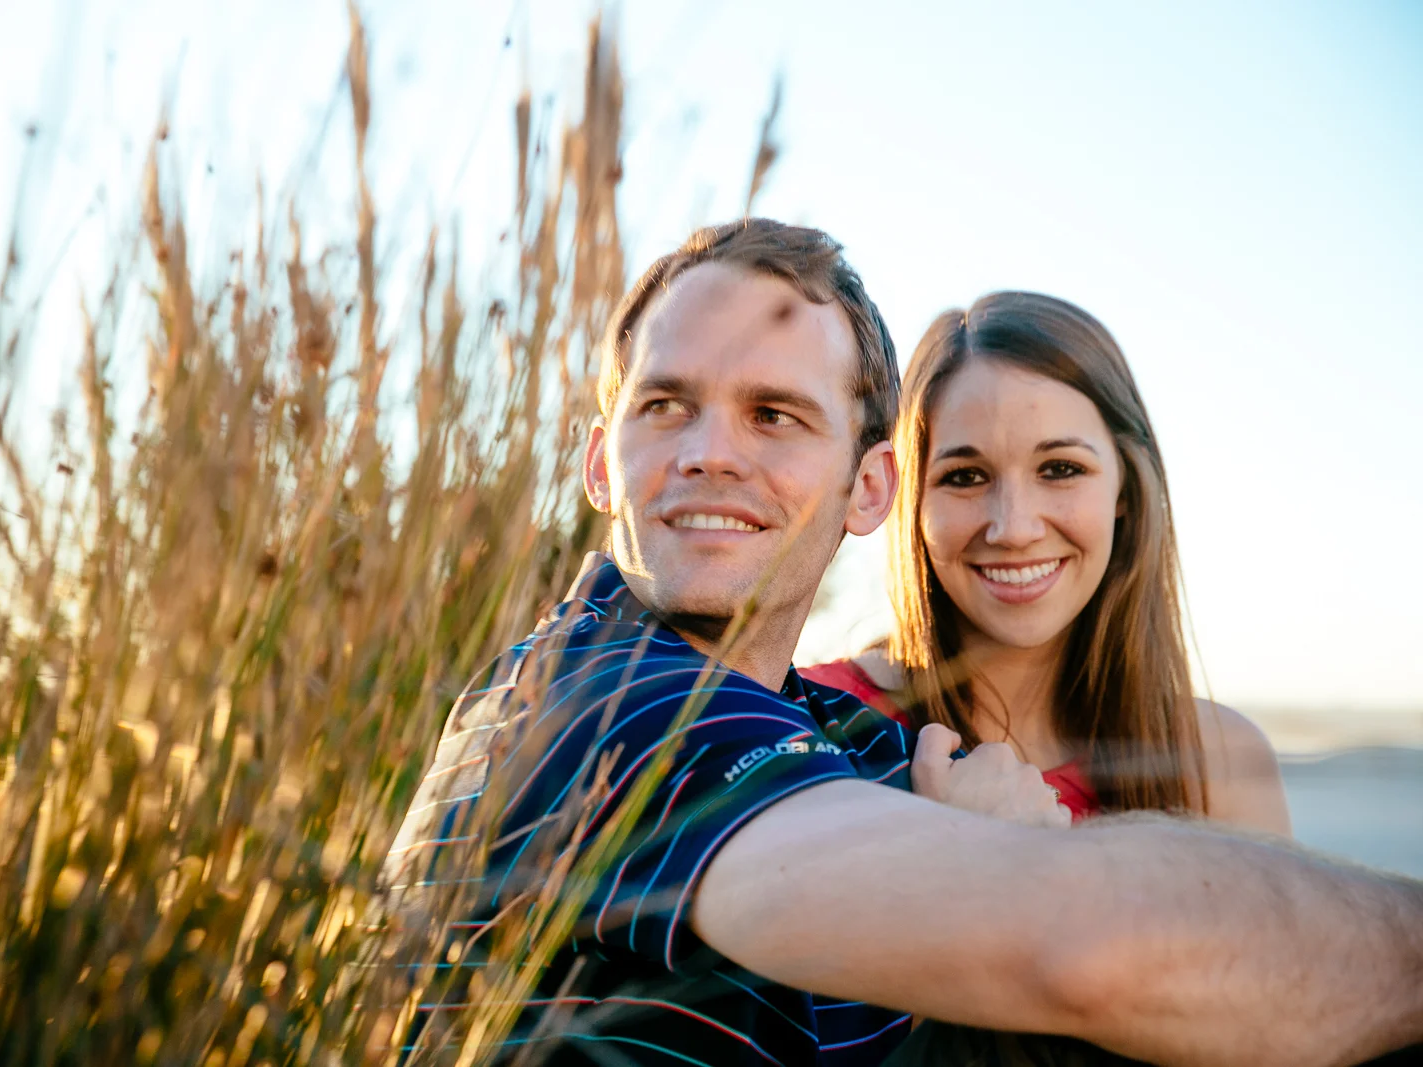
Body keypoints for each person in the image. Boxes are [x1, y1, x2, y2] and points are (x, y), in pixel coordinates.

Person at [384, 219, 1423, 1066]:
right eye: (667, 405)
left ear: (865, 485)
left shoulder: (818, 732)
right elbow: (1077, 946)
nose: (710, 453)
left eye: (774, 414)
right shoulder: (609, 708)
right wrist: (1007, 852)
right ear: (602, 464)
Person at [801, 292, 1290, 833]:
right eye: (964, 477)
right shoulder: (815, 723)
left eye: (1060, 469)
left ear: (1125, 485)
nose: (1013, 529)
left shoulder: (1219, 764)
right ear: (912, 500)